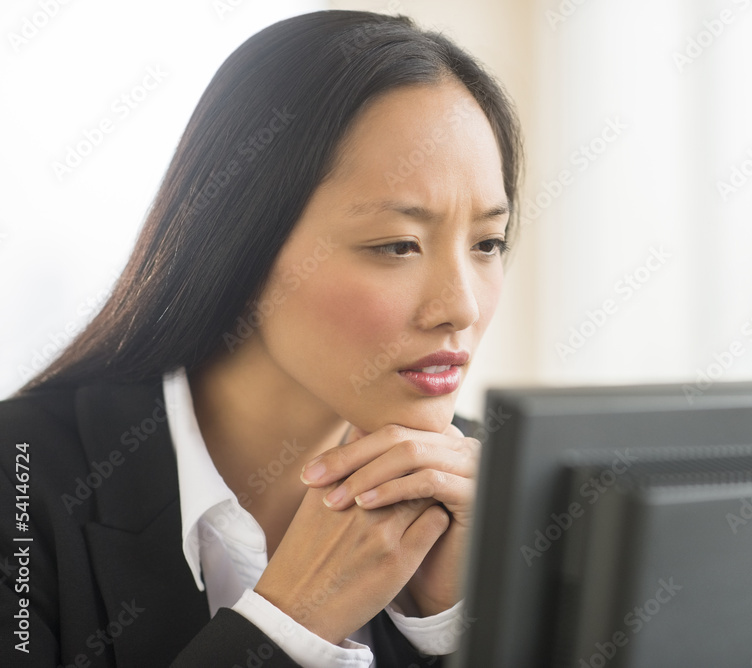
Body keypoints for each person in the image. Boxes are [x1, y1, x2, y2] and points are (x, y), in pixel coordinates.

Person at [0, 9, 522, 667]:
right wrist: (289, 626)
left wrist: (458, 633)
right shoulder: (19, 481)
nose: (461, 307)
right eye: (397, 244)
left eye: (488, 243)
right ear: (239, 247)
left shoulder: (507, 496)